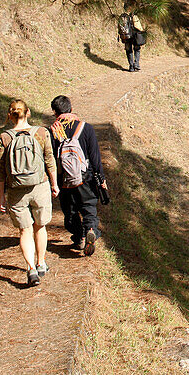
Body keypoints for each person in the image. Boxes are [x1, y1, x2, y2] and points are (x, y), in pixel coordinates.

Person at [0, 100, 59, 286]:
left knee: (24, 230)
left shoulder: (5, 137)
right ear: (28, 113)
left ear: (10, 115)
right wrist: (54, 184)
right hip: (39, 186)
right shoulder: (41, 132)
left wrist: (1, 195)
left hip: (16, 190)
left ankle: (31, 269)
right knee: (40, 226)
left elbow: (0, 169)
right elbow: (49, 160)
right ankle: (41, 263)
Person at [49, 95, 106, 256]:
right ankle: (90, 230)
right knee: (88, 207)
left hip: (63, 179)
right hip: (85, 177)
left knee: (70, 211)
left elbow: (50, 158)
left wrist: (52, 182)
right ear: (71, 109)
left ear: (55, 112)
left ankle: (79, 236)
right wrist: (101, 179)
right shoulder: (85, 128)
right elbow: (95, 156)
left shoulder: (52, 130)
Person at [117, 4, 145, 72]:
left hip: (126, 36)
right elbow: (138, 26)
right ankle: (136, 64)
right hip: (134, 36)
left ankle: (131, 66)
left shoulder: (122, 16)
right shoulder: (133, 15)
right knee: (137, 49)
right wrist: (143, 31)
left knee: (128, 51)